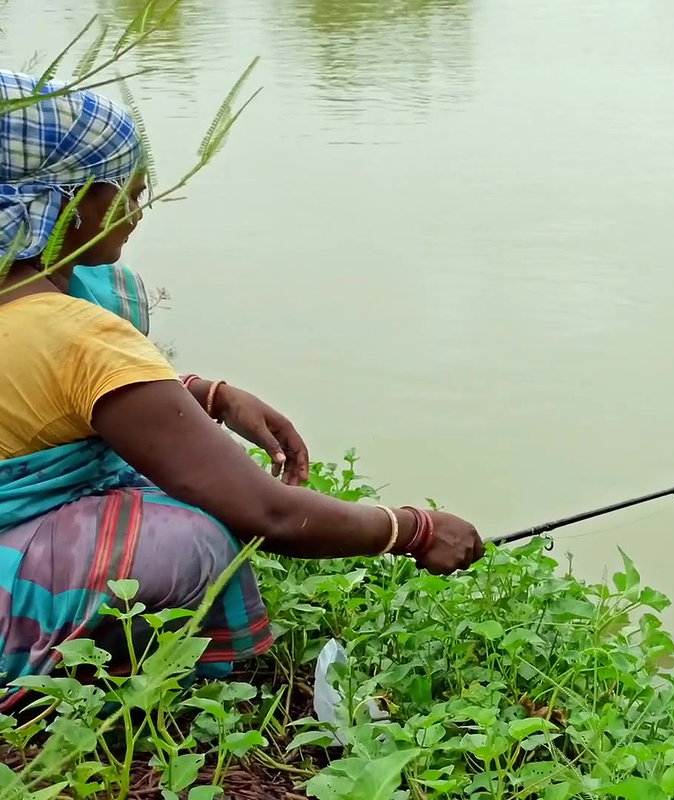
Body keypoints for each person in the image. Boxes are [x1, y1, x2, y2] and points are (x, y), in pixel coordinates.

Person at [0, 68, 485, 710]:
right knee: (193, 535)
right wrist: (413, 530)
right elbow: (271, 513)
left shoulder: (33, 303)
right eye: (127, 195)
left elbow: (43, 389)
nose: (140, 214)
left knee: (167, 479)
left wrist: (209, 395)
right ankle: (78, 679)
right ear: (64, 201)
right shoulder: (76, 333)